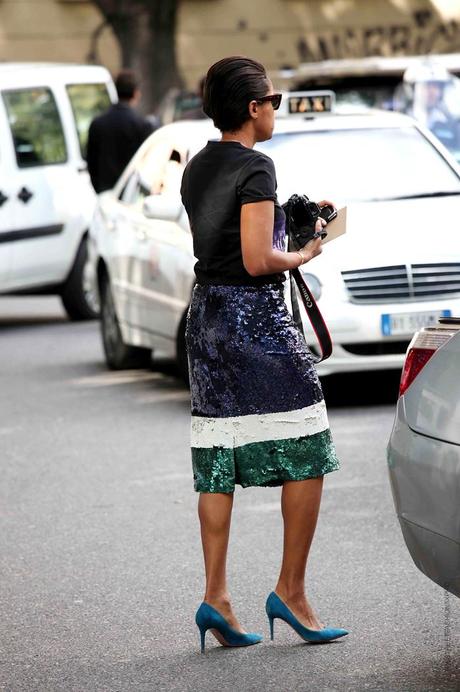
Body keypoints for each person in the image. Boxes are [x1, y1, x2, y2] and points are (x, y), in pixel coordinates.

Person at [180, 56, 348, 653]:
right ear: (253, 108)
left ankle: (216, 598)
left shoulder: (197, 165)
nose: (276, 109)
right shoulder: (257, 165)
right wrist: (302, 254)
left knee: (219, 450)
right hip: (254, 321)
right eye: (273, 100)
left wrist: (289, 220)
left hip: (207, 321)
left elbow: (227, 239)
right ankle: (291, 592)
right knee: (308, 443)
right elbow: (256, 259)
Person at [86, 69, 154, 193]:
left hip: (105, 192)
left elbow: (91, 162)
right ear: (136, 93)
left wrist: (99, 189)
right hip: (132, 195)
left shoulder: (97, 124)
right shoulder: (142, 125)